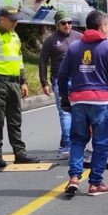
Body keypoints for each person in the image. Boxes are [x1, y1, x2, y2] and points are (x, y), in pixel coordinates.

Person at [57, 10, 108, 196]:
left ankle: (74, 177)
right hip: (101, 102)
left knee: (78, 140)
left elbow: (62, 74)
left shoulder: (74, 47)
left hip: (79, 101)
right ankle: (95, 183)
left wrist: (65, 97)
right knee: (101, 143)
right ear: (102, 25)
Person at [0, 6, 40, 169]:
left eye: (16, 20)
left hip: (14, 82)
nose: (15, 23)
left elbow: (19, 61)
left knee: (15, 119)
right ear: (2, 19)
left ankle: (20, 154)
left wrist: (23, 81)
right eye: (12, 20)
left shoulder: (14, 36)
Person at [39, 9, 83, 155]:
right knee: (65, 112)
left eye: (69, 22)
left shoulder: (79, 37)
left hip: (78, 80)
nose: (67, 25)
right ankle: (67, 144)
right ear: (57, 24)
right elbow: (43, 62)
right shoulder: (51, 40)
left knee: (77, 112)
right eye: (63, 23)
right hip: (59, 80)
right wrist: (44, 82)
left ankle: (72, 142)